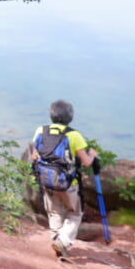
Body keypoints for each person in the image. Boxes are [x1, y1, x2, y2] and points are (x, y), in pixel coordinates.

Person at [29, 99, 97, 260]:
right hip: (68, 184)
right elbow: (86, 162)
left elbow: (34, 155)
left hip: (46, 180)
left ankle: (56, 240)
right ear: (70, 117)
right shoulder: (74, 135)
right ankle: (63, 241)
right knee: (75, 213)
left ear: (51, 115)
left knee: (54, 212)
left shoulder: (40, 130)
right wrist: (92, 155)